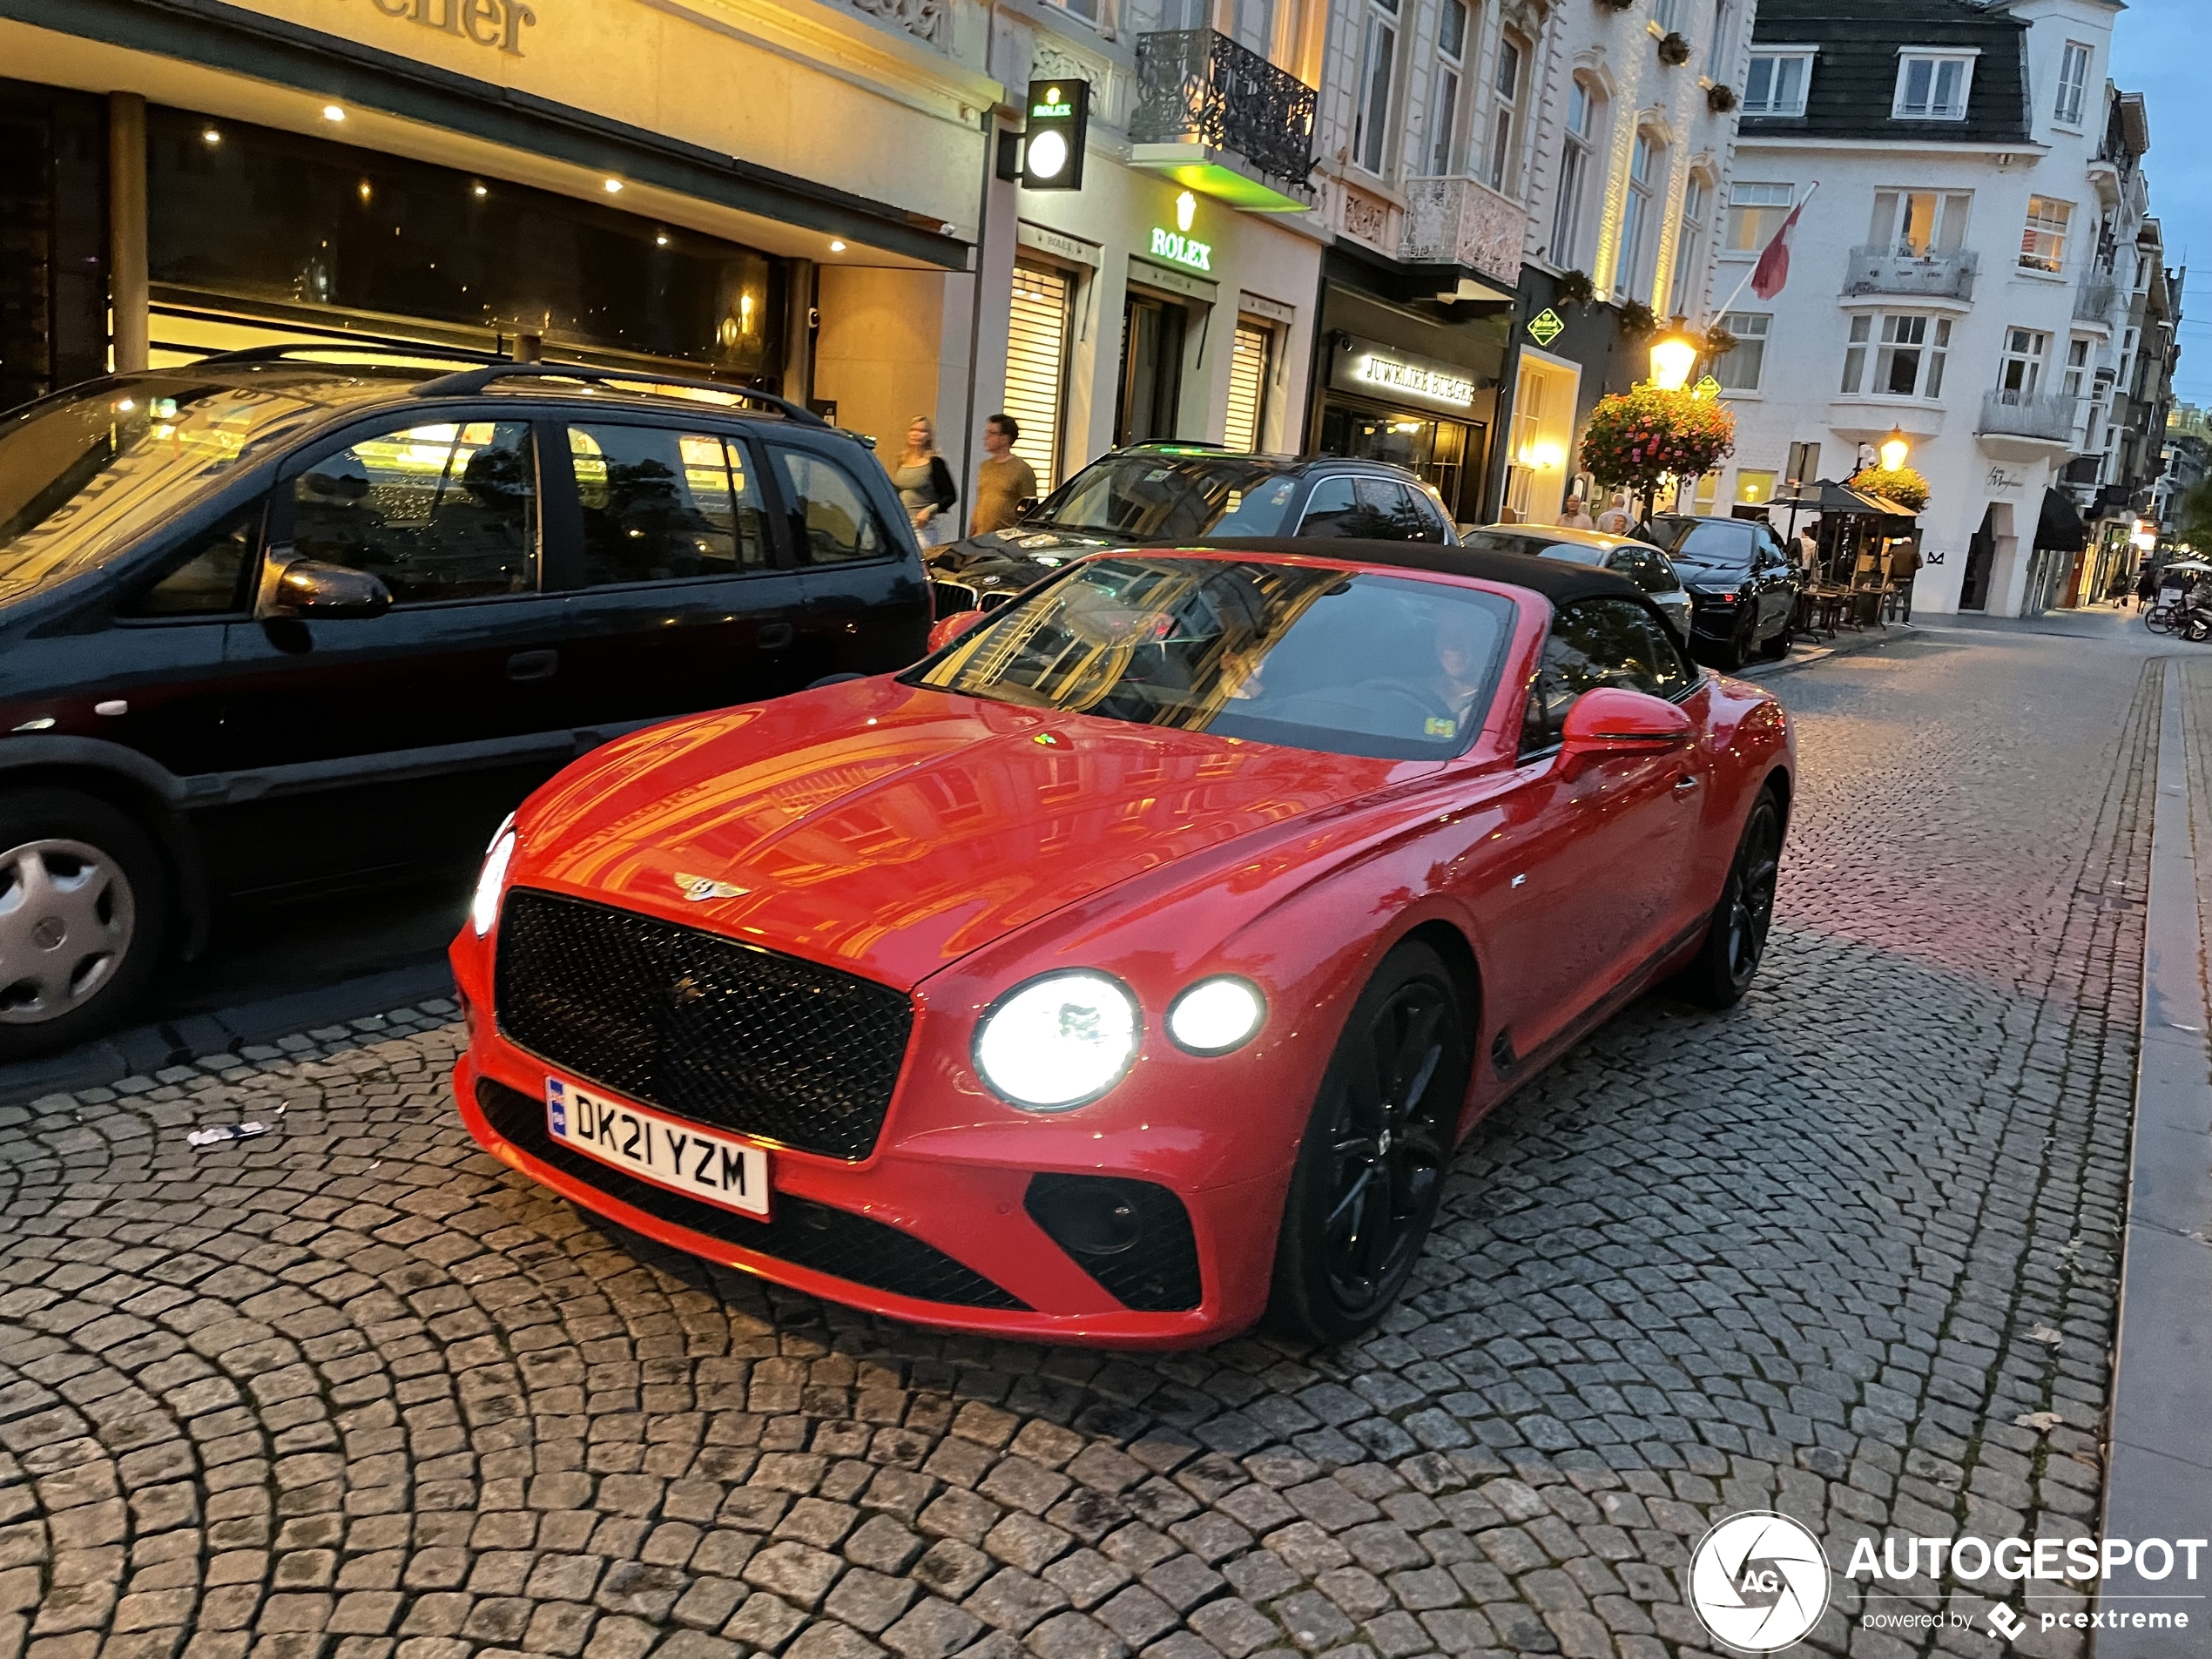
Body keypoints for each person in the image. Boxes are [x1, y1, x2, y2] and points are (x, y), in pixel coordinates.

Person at [969, 414, 1039, 537]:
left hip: (1007, 537)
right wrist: (972, 530)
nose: (986, 437)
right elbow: (981, 501)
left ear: (1004, 438)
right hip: (982, 536)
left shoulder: (1022, 469)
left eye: (991, 433)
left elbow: (1029, 510)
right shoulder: (985, 467)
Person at [892, 416, 957, 547]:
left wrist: (929, 510)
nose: (917, 434)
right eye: (914, 430)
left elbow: (950, 495)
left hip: (922, 527)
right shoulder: (902, 462)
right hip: (902, 525)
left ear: (929, 436)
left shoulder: (934, 463)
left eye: (922, 431)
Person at [1887, 538, 1923, 622]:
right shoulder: (1914, 550)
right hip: (1908, 579)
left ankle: (1891, 620)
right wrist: (1912, 568)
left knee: (1893, 600)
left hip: (1894, 578)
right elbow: (1919, 564)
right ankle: (1905, 620)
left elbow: (1888, 562)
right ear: (1911, 542)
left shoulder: (1895, 550)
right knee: (1906, 601)